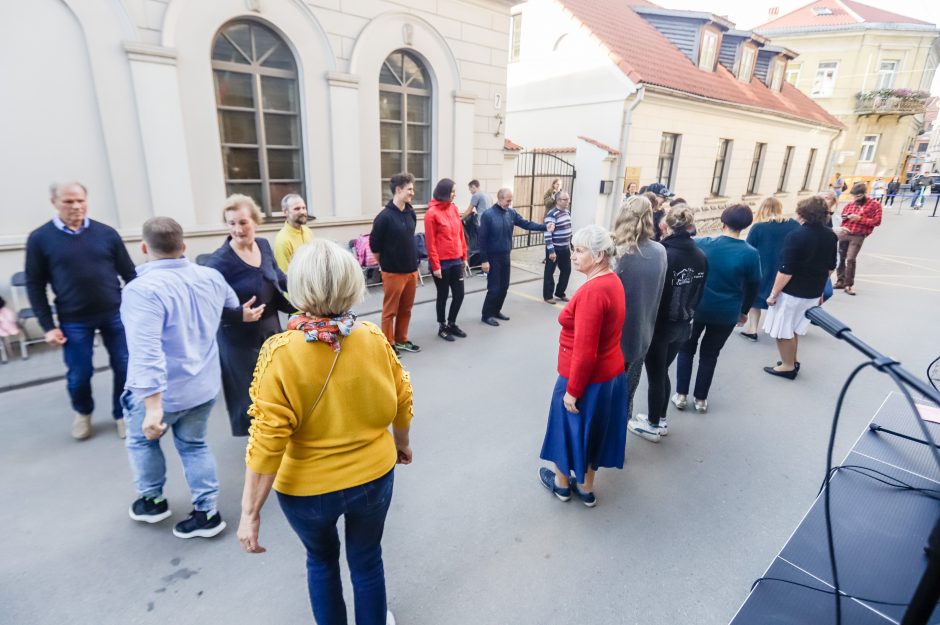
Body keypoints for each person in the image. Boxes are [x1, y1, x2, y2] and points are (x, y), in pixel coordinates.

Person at [237, 238, 413, 625]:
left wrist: (250, 512)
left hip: (306, 489)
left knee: (321, 560)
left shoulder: (280, 352)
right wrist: (402, 444)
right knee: (367, 560)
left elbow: (267, 440)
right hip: (373, 475)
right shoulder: (372, 338)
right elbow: (401, 398)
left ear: (298, 287)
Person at [121, 217, 243, 538]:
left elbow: (146, 351)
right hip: (202, 387)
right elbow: (233, 305)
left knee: (141, 443)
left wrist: (152, 408)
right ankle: (207, 513)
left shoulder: (141, 291)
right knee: (194, 446)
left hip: (164, 395)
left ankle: (152, 500)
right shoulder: (211, 277)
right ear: (184, 246)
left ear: (144, 248)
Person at [25, 181, 136, 440]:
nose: (76, 206)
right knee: (80, 373)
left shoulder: (106, 233)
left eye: (80, 200)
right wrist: (48, 326)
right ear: (54, 202)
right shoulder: (40, 239)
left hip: (115, 314)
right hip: (73, 319)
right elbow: (35, 284)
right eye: (68, 201)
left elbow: (130, 274)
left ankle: (122, 414)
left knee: (125, 365)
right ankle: (83, 412)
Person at [538, 225, 626, 507]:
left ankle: (562, 486)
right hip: (608, 374)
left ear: (599, 255)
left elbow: (585, 350)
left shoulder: (593, 291)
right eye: (573, 249)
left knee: (567, 428)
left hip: (583, 376)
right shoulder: (612, 280)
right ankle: (586, 489)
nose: (572, 255)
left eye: (579, 250)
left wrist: (573, 390)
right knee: (593, 431)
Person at [205, 194, 293, 436]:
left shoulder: (263, 245)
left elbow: (277, 277)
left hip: (271, 328)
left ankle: (278, 430)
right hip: (239, 338)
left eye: (243, 222)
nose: (237, 229)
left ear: (255, 220)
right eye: (231, 223)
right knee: (250, 391)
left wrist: (302, 290)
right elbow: (206, 305)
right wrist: (238, 315)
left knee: (276, 383)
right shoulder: (219, 263)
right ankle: (259, 441)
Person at [673, 205, 760, 414]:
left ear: (722, 221)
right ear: (747, 224)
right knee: (710, 355)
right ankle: (701, 399)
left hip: (698, 308)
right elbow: (753, 285)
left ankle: (681, 395)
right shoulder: (750, 254)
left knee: (686, 349)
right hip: (727, 312)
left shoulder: (704, 244)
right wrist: (744, 311)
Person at [632, 205, 706, 442]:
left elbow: (653, 290)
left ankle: (654, 424)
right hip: (684, 323)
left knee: (655, 374)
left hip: (660, 324)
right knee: (662, 371)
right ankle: (660, 419)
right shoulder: (700, 255)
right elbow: (700, 291)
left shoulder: (663, 253)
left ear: (664, 226)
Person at [763, 197, 838, 379]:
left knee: (783, 331)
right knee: (794, 328)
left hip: (792, 292)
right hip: (812, 292)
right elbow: (831, 266)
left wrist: (773, 294)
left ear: (802, 214)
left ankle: (788, 366)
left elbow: (786, 271)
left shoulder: (797, 236)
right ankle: (792, 360)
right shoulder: (830, 235)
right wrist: (820, 290)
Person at [612, 196, 667, 435]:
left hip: (614, 340)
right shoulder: (660, 251)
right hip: (643, 334)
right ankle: (619, 441)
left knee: (606, 393)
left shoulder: (618, 254)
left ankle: (600, 446)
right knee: (627, 392)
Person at [478, 188, 551, 326]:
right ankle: (486, 315)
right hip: (493, 257)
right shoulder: (488, 215)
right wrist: (484, 260)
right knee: (494, 288)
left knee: (504, 287)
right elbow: (482, 239)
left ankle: (496, 310)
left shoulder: (511, 213)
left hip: (505, 255)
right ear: (500, 199)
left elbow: (526, 224)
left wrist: (545, 227)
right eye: (508, 200)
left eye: (511, 200)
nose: (510, 203)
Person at [370, 172, 421, 354]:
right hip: (393, 272)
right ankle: (388, 344)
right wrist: (385, 265)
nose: (412, 193)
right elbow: (374, 245)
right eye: (409, 189)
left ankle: (401, 339)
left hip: (411, 271)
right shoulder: (384, 217)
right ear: (398, 190)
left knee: (406, 309)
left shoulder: (410, 212)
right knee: (390, 311)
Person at [741, 197, 799, 341]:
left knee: (756, 300)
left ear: (762, 209)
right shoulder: (794, 224)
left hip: (763, 267)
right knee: (781, 299)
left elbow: (749, 249)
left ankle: (753, 329)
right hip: (785, 268)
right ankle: (784, 331)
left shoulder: (759, 227)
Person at [424, 178, 469, 342]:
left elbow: (460, 235)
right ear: (444, 192)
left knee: (459, 294)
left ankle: (452, 323)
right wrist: (435, 265)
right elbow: (431, 243)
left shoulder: (454, 209)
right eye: (452, 191)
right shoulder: (431, 214)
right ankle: (442, 326)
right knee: (443, 295)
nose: (455, 194)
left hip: (456, 260)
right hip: (441, 263)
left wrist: (464, 256)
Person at [835, 182, 882, 295]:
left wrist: (859, 218)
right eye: (854, 196)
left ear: (865, 193)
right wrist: (846, 216)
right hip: (845, 232)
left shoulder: (875, 205)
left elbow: (877, 221)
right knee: (841, 258)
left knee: (850, 259)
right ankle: (840, 281)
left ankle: (848, 285)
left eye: (859, 196)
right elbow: (842, 216)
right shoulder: (850, 204)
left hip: (858, 235)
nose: (856, 198)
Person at [543, 191, 573, 304]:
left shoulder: (567, 212)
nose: (568, 202)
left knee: (567, 270)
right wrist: (551, 251)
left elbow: (569, 228)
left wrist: (571, 243)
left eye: (568, 199)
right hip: (554, 248)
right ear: (558, 201)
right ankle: (548, 296)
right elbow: (547, 233)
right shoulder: (552, 214)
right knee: (549, 272)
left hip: (565, 248)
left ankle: (560, 293)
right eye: (565, 199)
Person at [273, 193, 314, 273]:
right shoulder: (282, 241)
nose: (302, 212)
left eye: (304, 208)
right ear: (285, 212)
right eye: (297, 209)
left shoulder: (308, 231)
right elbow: (285, 276)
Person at [462, 179, 489, 266]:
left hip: (481, 223)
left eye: (470, 189)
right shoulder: (487, 195)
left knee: (480, 245)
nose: (470, 191)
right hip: (489, 222)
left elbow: (469, 210)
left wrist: (459, 220)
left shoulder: (476, 195)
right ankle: (486, 266)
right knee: (486, 244)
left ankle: (483, 268)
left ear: (473, 187)